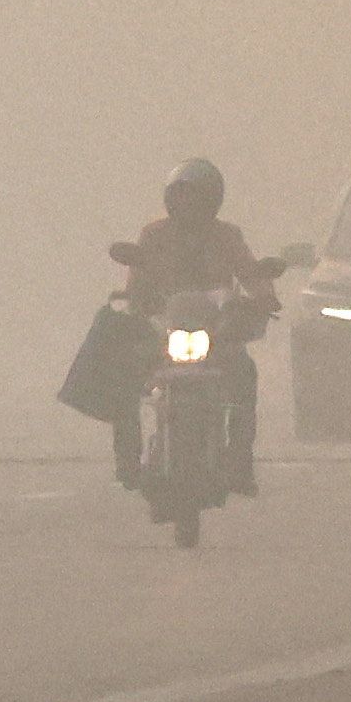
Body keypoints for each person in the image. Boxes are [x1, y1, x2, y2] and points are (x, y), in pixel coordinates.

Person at [110, 159, 275, 493]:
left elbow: (250, 273)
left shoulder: (227, 236)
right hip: (165, 332)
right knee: (124, 378)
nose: (188, 204)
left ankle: (241, 463)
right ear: (170, 199)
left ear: (213, 200)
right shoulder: (154, 235)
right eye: (181, 196)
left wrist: (263, 297)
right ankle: (128, 460)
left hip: (216, 334)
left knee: (244, 377)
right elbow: (137, 281)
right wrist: (133, 301)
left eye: (196, 197)